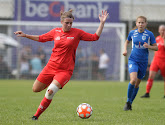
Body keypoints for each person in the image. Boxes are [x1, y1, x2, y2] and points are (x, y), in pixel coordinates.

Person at [14, 9, 109, 120]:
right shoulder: (55, 32)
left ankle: (35, 116)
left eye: (71, 23)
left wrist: (102, 23)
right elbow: (41, 38)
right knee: (35, 89)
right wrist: (25, 35)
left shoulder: (77, 33)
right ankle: (53, 82)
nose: (69, 25)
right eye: (66, 23)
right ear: (61, 22)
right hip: (50, 67)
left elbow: (94, 37)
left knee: (50, 92)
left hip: (65, 71)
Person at [122, 16, 158, 111]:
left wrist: (149, 46)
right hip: (133, 60)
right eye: (139, 22)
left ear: (146, 24)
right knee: (133, 80)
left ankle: (130, 103)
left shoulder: (149, 34)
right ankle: (127, 102)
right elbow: (127, 42)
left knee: (137, 85)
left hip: (143, 62)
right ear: (136, 23)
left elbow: (156, 48)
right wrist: (125, 49)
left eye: (142, 22)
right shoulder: (132, 33)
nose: (141, 24)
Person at [141, 25, 165, 98]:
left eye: (164, 30)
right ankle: (147, 93)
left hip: (164, 61)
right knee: (151, 76)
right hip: (156, 60)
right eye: (161, 30)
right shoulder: (157, 39)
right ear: (159, 31)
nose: (163, 32)